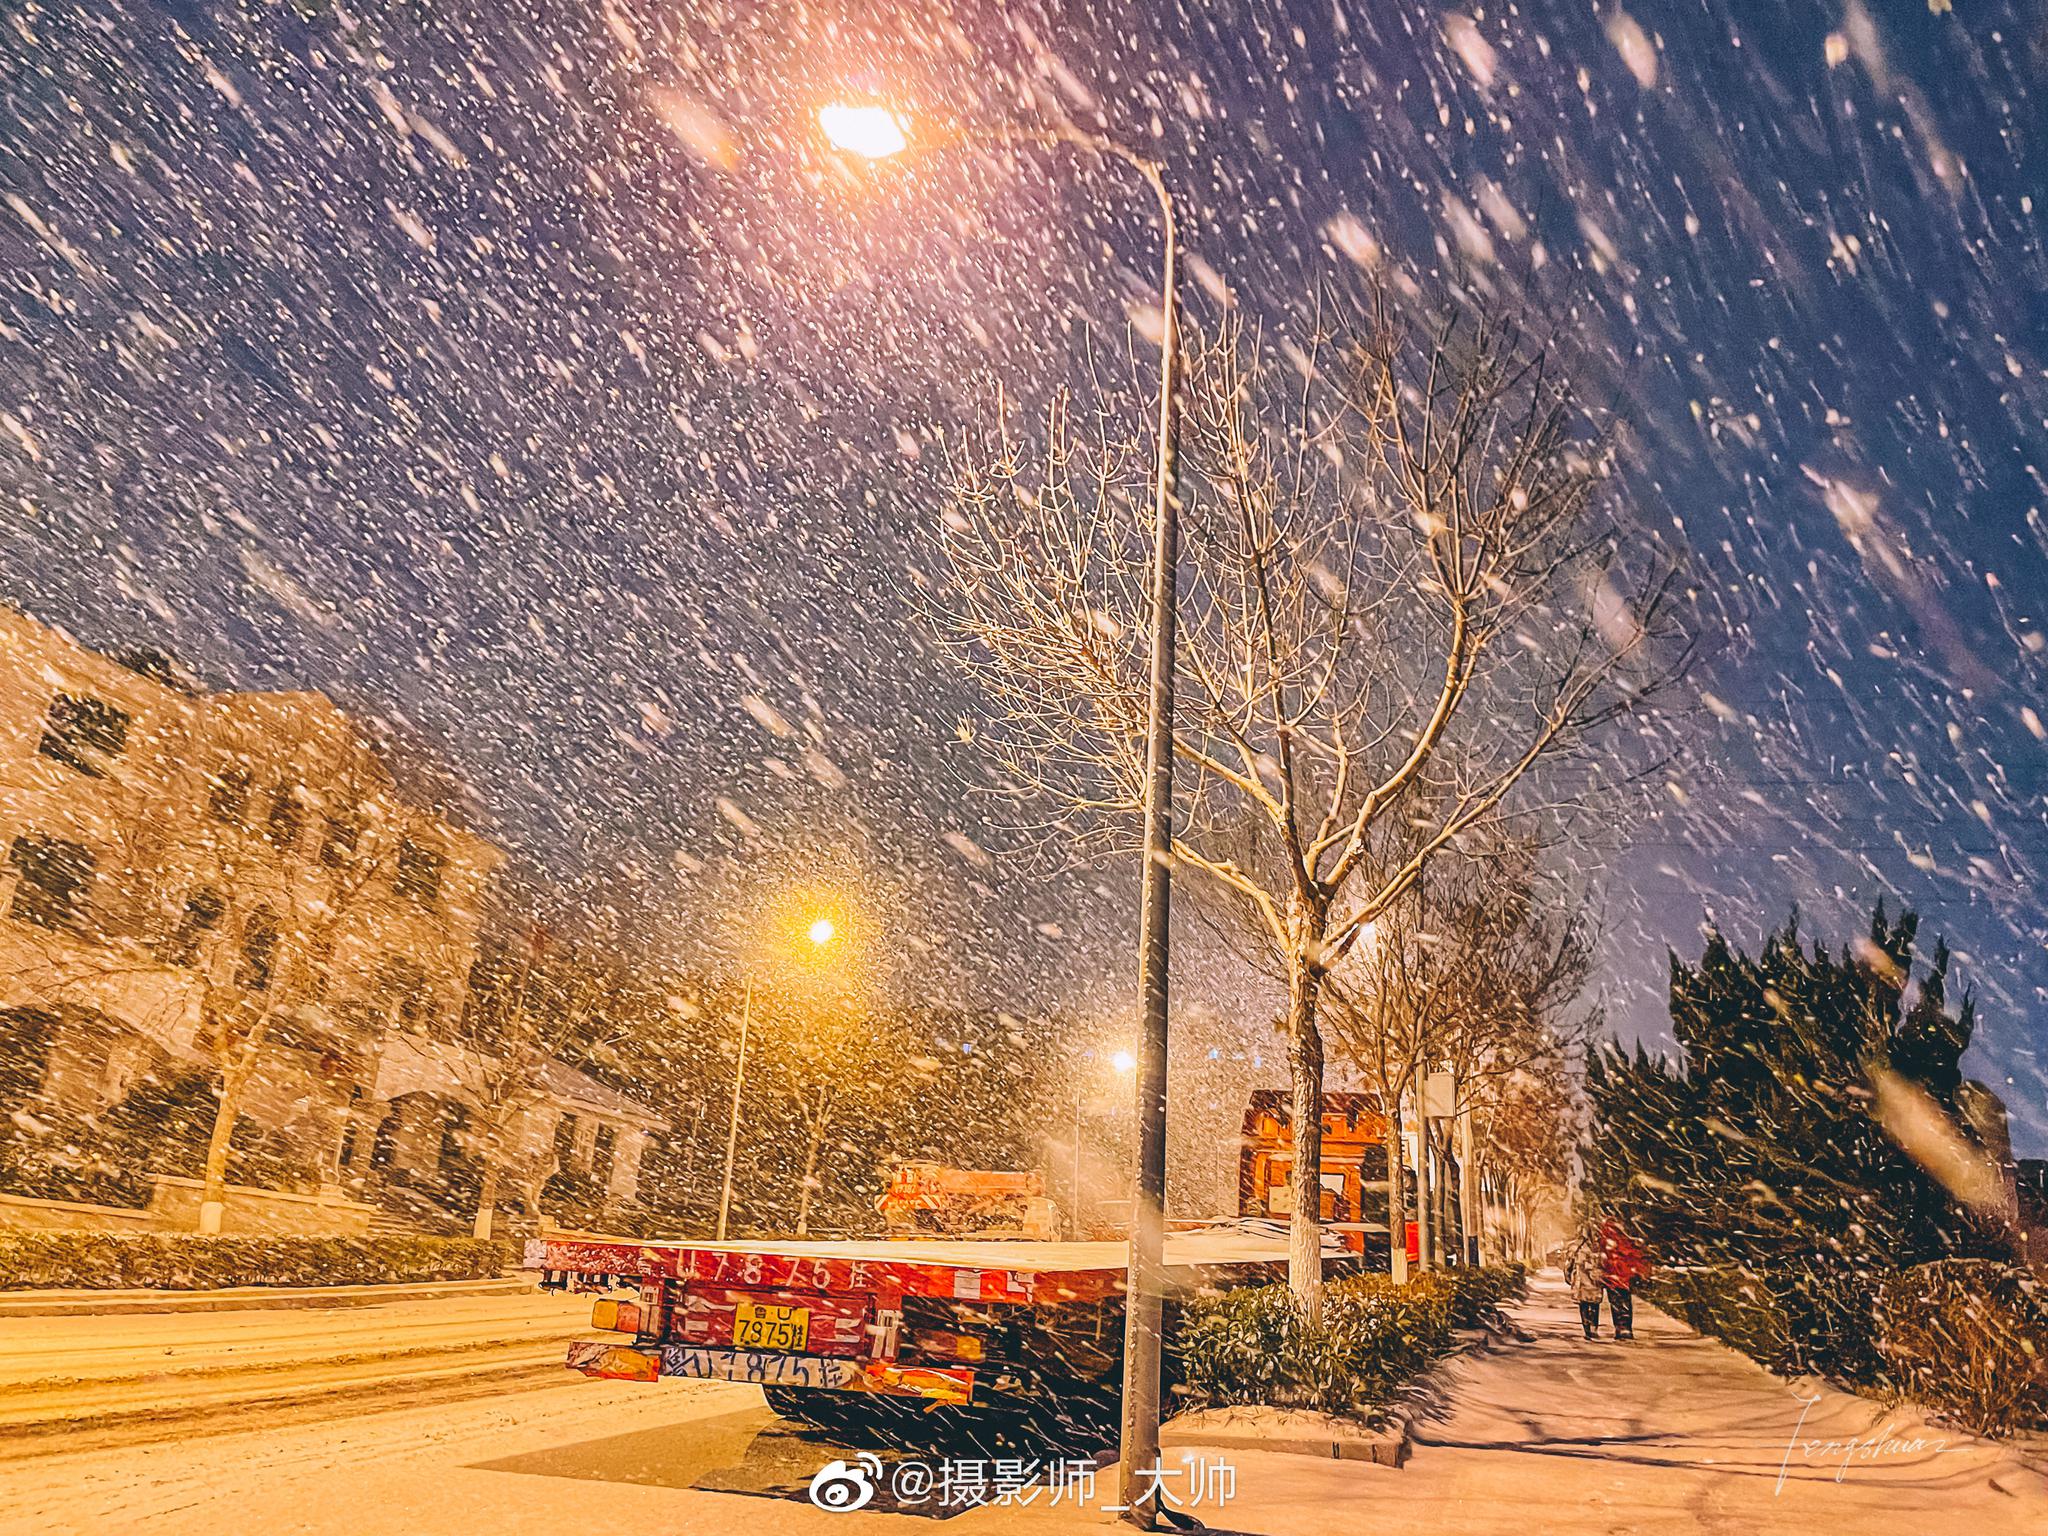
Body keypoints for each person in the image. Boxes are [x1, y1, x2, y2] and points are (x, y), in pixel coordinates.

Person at [1599, 1220, 1651, 1340]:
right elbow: (1633, 1254)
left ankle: (1620, 1327)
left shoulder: (1607, 1237)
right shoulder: (1625, 1238)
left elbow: (1603, 1255)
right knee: (1624, 1301)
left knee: (1616, 1302)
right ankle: (1625, 1327)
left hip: (1614, 1276)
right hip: (1622, 1276)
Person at [1564, 1233, 1605, 1339]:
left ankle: (1588, 1330)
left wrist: (1568, 1276)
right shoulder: (1599, 1246)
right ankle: (1592, 1329)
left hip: (1584, 1279)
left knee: (1585, 1305)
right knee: (1593, 1305)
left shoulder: (1575, 1246)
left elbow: (1568, 1264)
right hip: (1591, 1279)